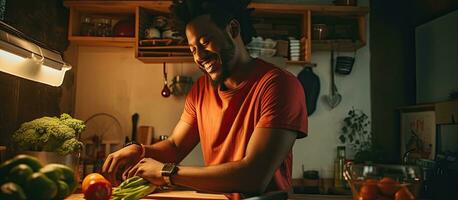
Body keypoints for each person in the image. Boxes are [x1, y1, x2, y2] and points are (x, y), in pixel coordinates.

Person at [102, 0, 308, 198]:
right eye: (193, 49)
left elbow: (254, 175)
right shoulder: (201, 89)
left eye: (205, 42)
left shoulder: (279, 85)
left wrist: (166, 173)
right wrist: (139, 150)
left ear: (233, 29)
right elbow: (174, 147)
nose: (199, 56)